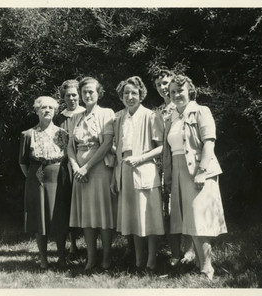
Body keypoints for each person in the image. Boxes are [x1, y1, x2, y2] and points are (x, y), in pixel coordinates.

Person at [163, 74, 227, 280]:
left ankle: (207, 268)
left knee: (200, 220)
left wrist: (201, 171)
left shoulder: (201, 111)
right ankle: (200, 263)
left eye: (180, 91)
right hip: (178, 171)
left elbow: (209, 142)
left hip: (198, 170)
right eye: (172, 92)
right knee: (188, 221)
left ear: (189, 90)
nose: (176, 95)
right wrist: (169, 176)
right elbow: (169, 151)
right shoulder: (171, 117)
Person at [111, 76, 165, 271]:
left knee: (149, 217)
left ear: (141, 94)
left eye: (134, 93)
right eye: (126, 93)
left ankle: (151, 260)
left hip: (145, 170)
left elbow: (161, 148)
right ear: (121, 96)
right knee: (133, 218)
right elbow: (118, 150)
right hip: (125, 170)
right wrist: (115, 176)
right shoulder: (118, 118)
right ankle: (138, 260)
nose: (130, 96)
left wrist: (140, 158)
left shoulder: (151, 116)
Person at [68, 77, 116, 271]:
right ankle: (90, 258)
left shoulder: (106, 113)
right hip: (80, 174)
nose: (87, 95)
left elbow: (106, 144)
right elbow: (70, 148)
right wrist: (76, 168)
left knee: (103, 216)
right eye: (84, 92)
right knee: (87, 217)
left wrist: (86, 167)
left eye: (91, 92)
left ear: (98, 93)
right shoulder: (75, 117)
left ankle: (106, 257)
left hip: (99, 170)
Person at [18, 96, 71, 269]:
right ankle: (43, 259)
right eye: (43, 107)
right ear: (37, 111)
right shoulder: (28, 134)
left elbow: (69, 158)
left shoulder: (63, 134)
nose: (47, 110)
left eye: (50, 107)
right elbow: (23, 162)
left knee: (60, 217)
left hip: (59, 178)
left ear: (55, 111)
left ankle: (62, 257)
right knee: (40, 218)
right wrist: (34, 177)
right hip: (38, 178)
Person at [152, 69, 197, 266]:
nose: (163, 88)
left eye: (166, 83)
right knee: (169, 211)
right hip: (164, 165)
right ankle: (175, 252)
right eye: (159, 85)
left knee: (188, 207)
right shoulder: (158, 113)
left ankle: (190, 251)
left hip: (184, 163)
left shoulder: (185, 107)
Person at [53, 79, 85, 257]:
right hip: (64, 167)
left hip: (85, 164)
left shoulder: (86, 113)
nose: (72, 98)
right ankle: (71, 244)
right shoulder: (59, 118)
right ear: (63, 98)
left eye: (74, 95)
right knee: (67, 204)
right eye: (68, 96)